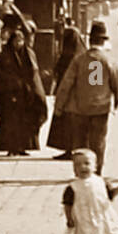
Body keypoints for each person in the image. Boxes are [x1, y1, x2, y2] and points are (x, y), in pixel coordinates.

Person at [53, 20, 118, 175]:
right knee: (98, 143)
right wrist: (116, 104)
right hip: (101, 108)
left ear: (89, 40)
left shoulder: (79, 60)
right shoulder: (108, 60)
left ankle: (80, 173)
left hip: (80, 108)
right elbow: (117, 85)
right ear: (103, 41)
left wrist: (59, 106)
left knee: (80, 143)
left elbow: (66, 84)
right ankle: (97, 172)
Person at [0, 27, 47, 155]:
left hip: (25, 95)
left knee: (24, 122)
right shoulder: (5, 56)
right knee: (11, 123)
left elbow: (33, 72)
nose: (19, 44)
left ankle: (22, 147)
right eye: (16, 41)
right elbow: (2, 75)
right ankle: (11, 148)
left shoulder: (28, 54)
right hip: (10, 94)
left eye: (21, 41)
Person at [46, 26, 86, 159]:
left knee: (69, 124)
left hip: (70, 96)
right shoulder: (83, 56)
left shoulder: (75, 58)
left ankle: (70, 150)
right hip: (79, 98)